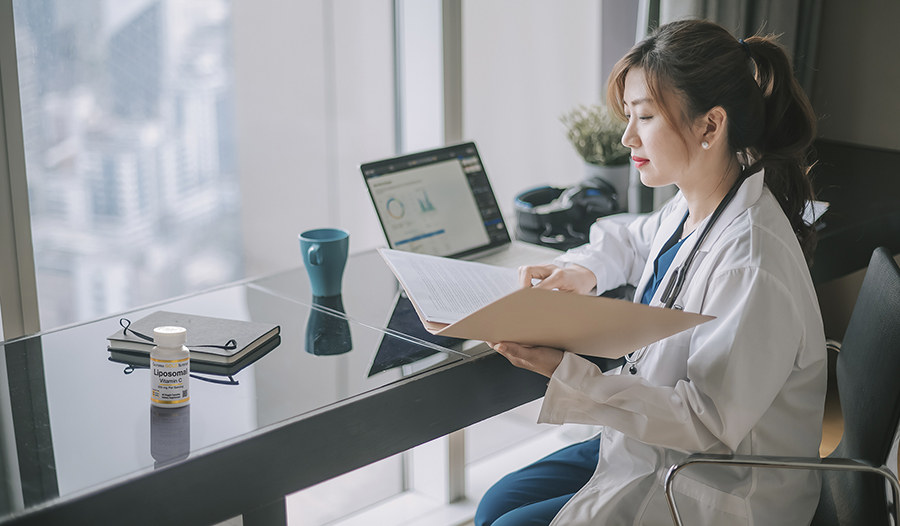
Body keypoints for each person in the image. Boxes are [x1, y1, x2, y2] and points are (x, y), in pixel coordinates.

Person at [475, 18, 827, 526]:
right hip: (654, 444)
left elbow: (706, 423)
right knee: (495, 504)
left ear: (710, 125)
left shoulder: (751, 261)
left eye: (643, 117)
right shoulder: (697, 204)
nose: (626, 135)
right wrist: (582, 272)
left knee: (506, 523)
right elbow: (632, 237)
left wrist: (566, 371)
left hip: (715, 482)